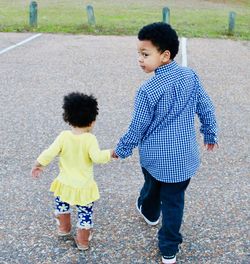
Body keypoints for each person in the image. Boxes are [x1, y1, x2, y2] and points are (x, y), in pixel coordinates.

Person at [112, 22, 218, 264]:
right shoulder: (190, 76)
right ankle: (169, 249)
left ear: (165, 55)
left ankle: (149, 212)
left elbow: (137, 127)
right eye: (138, 53)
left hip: (154, 157)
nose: (139, 59)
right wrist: (210, 133)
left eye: (145, 54)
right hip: (184, 159)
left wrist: (122, 149)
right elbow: (206, 106)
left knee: (152, 185)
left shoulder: (147, 90)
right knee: (174, 203)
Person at [31, 92, 112, 251]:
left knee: (62, 207)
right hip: (83, 187)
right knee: (85, 214)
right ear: (92, 121)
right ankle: (83, 241)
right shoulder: (90, 139)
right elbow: (97, 157)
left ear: (67, 117)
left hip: (64, 184)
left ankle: (64, 229)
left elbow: (50, 152)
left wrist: (38, 164)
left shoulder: (64, 136)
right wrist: (110, 153)